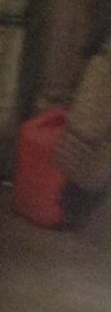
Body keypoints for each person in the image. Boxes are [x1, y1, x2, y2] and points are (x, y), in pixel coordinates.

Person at [56, 21, 111, 227]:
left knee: (84, 168)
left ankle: (74, 213)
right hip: (93, 131)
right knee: (88, 168)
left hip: (90, 127)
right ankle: (76, 214)